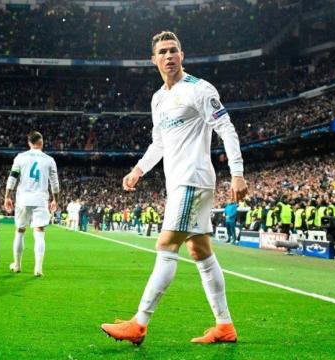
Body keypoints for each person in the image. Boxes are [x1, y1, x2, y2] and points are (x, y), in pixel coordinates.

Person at [101, 31, 248, 345]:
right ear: (153, 60)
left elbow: (226, 128)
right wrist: (138, 170)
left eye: (173, 51)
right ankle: (225, 326)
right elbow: (159, 143)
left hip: (193, 179)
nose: (168, 56)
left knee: (166, 245)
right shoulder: (158, 98)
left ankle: (139, 323)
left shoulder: (199, 89)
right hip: (178, 182)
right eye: (162, 52)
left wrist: (237, 173)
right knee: (199, 250)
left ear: (182, 55)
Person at [4, 131, 60, 277]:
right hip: (40, 199)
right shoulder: (49, 160)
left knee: (20, 231)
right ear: (41, 143)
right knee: (39, 233)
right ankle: (38, 268)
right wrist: (55, 200)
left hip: (23, 198)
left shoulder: (20, 157)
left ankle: (17, 265)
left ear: (29, 143)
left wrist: (7, 196)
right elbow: (54, 183)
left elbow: (12, 178)